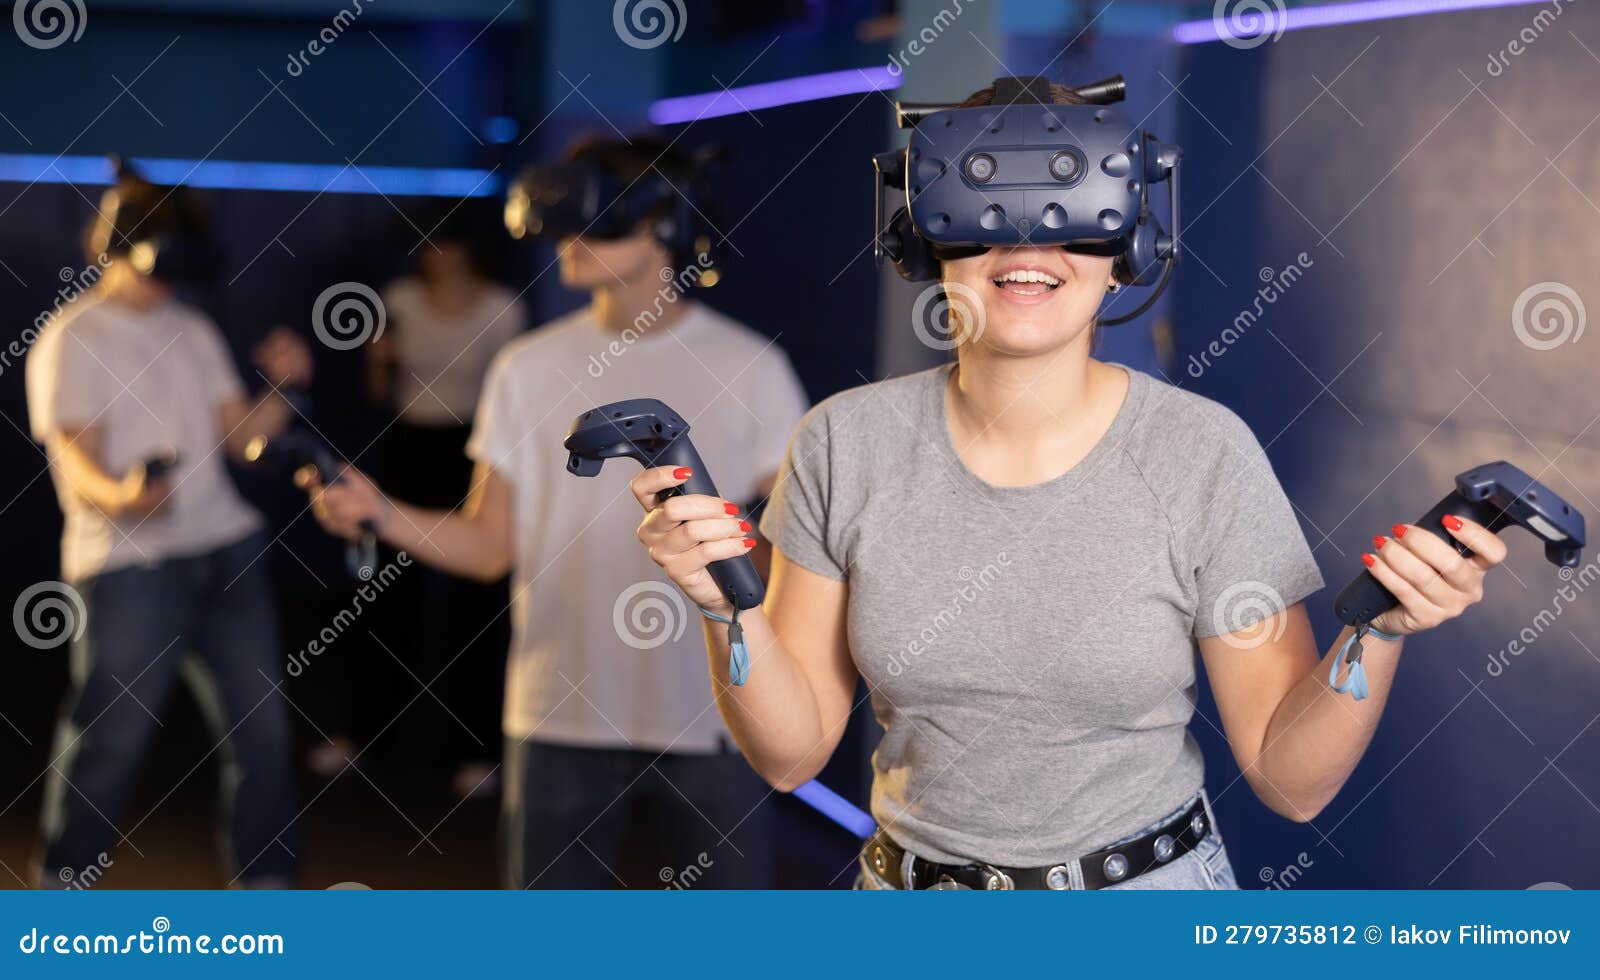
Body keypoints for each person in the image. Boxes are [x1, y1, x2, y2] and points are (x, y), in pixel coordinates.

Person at [622, 80, 1510, 890]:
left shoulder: (1201, 453)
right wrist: (719, 606)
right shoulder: (842, 443)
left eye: (1067, 202)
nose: (1026, 240)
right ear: (923, 233)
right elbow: (790, 755)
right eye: (982, 204)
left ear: (1128, 238)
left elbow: (1290, 781)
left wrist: (1378, 633)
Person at [303, 134, 810, 888]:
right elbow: (488, 545)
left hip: (716, 715)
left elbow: (800, 556)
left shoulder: (751, 368)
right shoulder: (526, 367)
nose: (568, 240)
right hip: (557, 711)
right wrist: (380, 512)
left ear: (660, 227)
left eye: (596, 220)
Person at [26, 168, 311, 887]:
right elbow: (76, 458)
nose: (168, 281)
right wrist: (122, 497)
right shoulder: (72, 336)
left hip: (226, 551)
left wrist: (287, 387)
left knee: (263, 736)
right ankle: (65, 888)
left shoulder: (191, 327)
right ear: (118, 248)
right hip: (129, 568)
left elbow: (241, 439)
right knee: (108, 740)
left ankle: (269, 889)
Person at [316, 204, 522, 795]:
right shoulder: (400, 298)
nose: (435, 254)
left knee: (476, 607)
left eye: (446, 242)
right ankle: (362, 737)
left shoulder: (502, 308)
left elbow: (508, 406)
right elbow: (380, 390)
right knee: (383, 597)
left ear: (467, 249)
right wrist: (377, 359)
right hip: (407, 448)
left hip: (473, 453)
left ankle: (477, 752)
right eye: (427, 243)